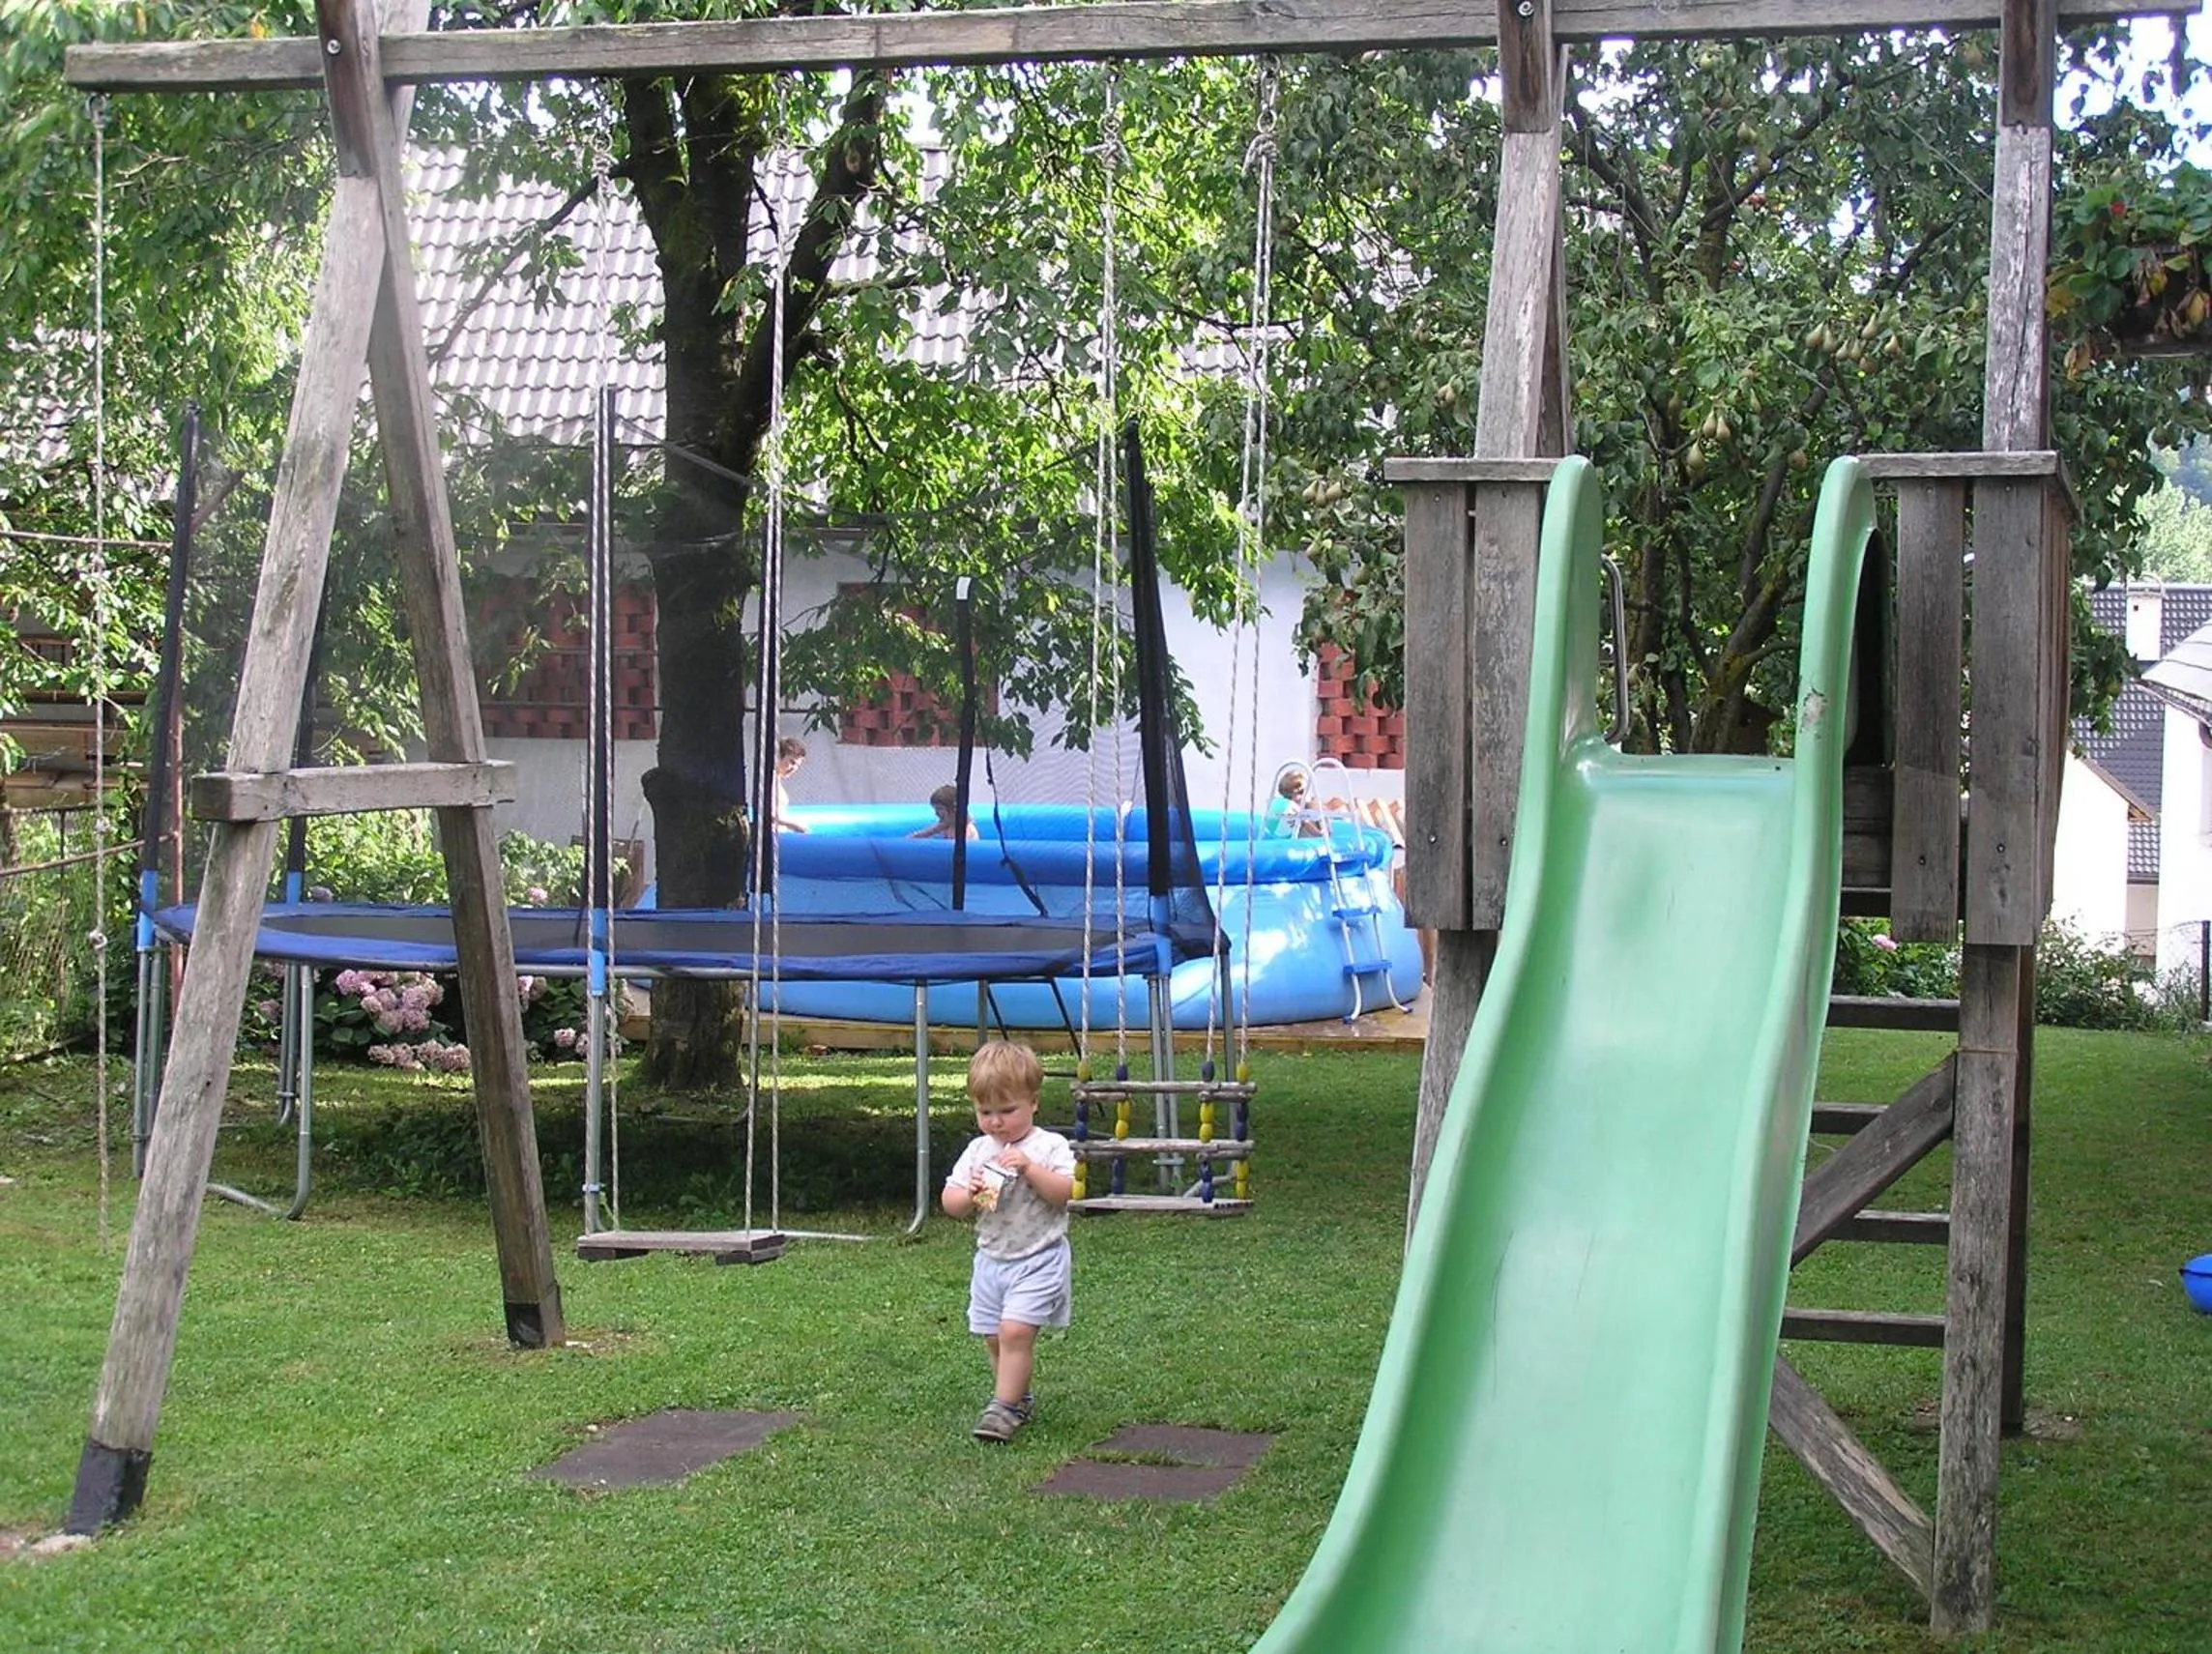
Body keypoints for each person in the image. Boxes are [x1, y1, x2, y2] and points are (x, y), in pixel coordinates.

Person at [940, 1040, 1075, 1443]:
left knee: (1016, 1332)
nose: (996, 1123)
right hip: (991, 1259)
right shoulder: (978, 1151)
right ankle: (1017, 1398)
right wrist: (970, 1192)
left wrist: (1031, 1169)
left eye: (1007, 1111)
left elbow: (1066, 1192)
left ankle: (1003, 1409)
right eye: (985, 1112)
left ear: (1033, 1103)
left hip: (1039, 1257)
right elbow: (951, 1203)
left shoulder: (1048, 1146)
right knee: (994, 1336)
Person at [909, 781, 979, 840]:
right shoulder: (947, 824)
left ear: (954, 810)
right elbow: (924, 834)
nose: (936, 813)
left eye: (939, 809)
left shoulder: (966, 830)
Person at [1266, 766, 1322, 837]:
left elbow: (1323, 833)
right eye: (1288, 796)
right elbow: (1317, 833)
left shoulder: (1310, 805)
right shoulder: (1290, 807)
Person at [773, 737, 809, 833]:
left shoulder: (776, 780)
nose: (794, 768)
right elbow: (766, 813)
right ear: (779, 757)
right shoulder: (770, 782)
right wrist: (793, 825)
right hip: (773, 836)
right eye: (792, 762)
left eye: (797, 765)